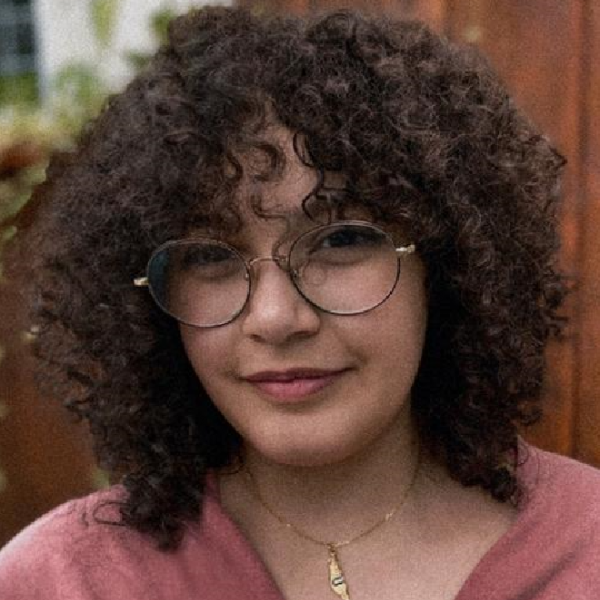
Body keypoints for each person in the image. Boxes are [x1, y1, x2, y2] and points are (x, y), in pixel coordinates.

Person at [1, 6, 599, 600]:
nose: (275, 318)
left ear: (447, 267)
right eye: (209, 256)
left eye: (340, 241)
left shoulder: (585, 554)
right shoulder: (62, 581)